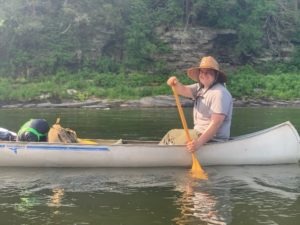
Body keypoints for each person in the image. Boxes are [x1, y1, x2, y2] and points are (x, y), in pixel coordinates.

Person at [160, 56, 233, 153]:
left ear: (216, 75)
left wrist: (198, 143)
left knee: (175, 142)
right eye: (202, 72)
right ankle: (158, 152)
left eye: (209, 72)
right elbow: (183, 90)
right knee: (171, 135)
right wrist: (175, 83)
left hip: (212, 139)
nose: (204, 75)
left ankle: (162, 154)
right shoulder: (200, 88)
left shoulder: (219, 93)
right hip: (197, 133)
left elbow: (216, 123)